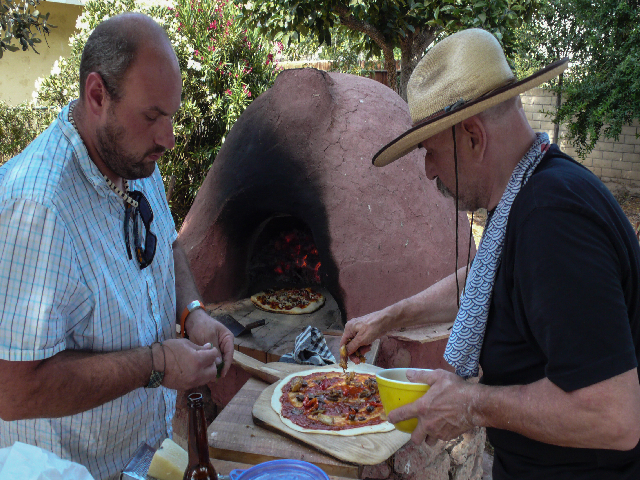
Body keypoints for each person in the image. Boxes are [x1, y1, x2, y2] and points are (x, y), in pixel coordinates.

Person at [341, 28, 640, 479]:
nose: (427, 171)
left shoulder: (552, 217)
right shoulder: (532, 192)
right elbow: (486, 279)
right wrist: (390, 318)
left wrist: (471, 405)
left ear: (474, 137)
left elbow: (614, 417)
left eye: (430, 150)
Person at [0, 13, 234, 480]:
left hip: (140, 461)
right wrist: (158, 365)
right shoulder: (37, 206)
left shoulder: (133, 157)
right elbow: (14, 391)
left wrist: (193, 315)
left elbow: (165, 246)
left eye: (170, 116)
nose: (167, 139)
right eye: (152, 116)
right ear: (96, 95)